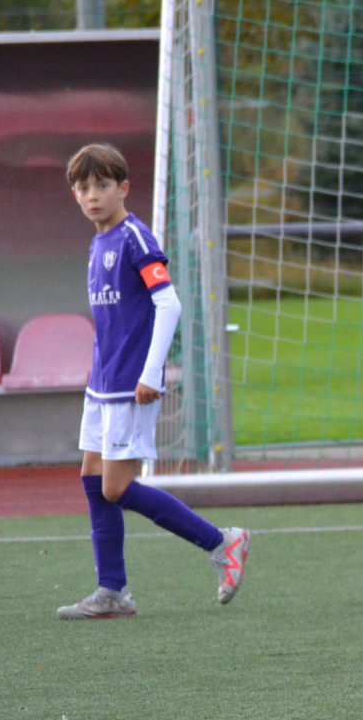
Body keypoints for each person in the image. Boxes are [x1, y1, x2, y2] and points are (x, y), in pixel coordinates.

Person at [58, 143, 251, 619]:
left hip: (131, 384)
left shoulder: (134, 238)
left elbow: (170, 304)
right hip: (102, 383)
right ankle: (113, 592)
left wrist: (150, 373)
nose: (92, 196)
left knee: (117, 489)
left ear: (123, 188)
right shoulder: (98, 242)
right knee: (91, 478)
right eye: (83, 188)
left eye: (102, 186)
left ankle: (223, 542)